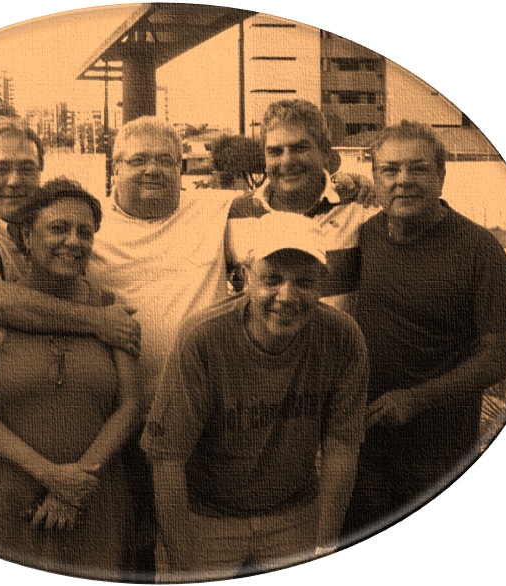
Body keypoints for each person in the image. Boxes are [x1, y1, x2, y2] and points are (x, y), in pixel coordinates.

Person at [86, 114, 371, 579]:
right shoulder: (87, 226)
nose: (152, 169)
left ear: (181, 167)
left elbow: (290, 198)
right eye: (136, 160)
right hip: (115, 421)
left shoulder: (215, 208)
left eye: (165, 160)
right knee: (122, 554)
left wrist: (350, 182)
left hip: (207, 428)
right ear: (113, 167)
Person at [140, 213, 368, 582]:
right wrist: (182, 560)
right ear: (246, 277)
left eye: (304, 282)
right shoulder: (203, 338)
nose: (286, 296)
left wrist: (325, 546)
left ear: (322, 283)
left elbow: (342, 443)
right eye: (272, 279)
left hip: (294, 513)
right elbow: (167, 457)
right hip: (207, 517)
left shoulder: (342, 337)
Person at [341, 121, 506, 540]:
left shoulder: (479, 249)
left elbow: (503, 356)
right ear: (375, 178)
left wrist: (416, 399)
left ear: (441, 175)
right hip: (363, 445)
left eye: (418, 168)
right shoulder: (364, 235)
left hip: (440, 454)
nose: (403, 180)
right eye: (390, 170)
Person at [0, 179, 140, 580]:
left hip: (93, 498)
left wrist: (77, 484)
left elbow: (129, 408)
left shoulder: (111, 310)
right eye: (59, 228)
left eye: (84, 232)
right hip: (4, 499)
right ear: (26, 236)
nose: (73, 241)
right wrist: (51, 476)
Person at [0, 117, 140, 466]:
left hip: (77, 415)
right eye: (1, 168)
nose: (15, 180)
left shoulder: (57, 224)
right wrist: (100, 321)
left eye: (27, 169)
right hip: (0, 415)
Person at [227, 99, 379, 311]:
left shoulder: (361, 208)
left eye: (299, 148)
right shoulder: (234, 214)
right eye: (275, 151)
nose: (287, 161)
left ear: (324, 152)